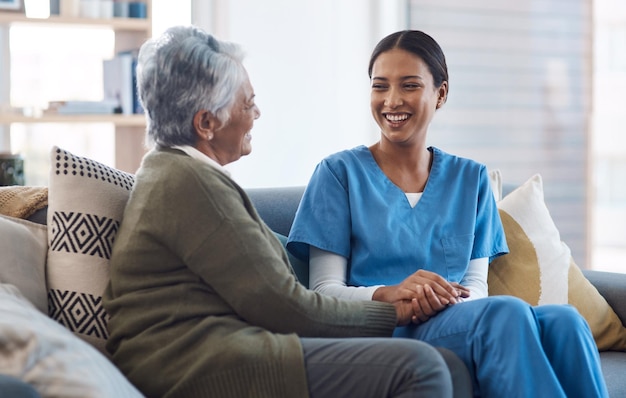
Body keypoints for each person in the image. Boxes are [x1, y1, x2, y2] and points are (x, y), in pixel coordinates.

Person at [102, 25, 473, 398]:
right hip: (198, 361)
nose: (257, 113)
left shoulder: (176, 173)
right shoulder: (191, 185)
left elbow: (256, 268)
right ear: (206, 123)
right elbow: (287, 308)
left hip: (216, 348)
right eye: (247, 104)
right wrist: (395, 311)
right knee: (420, 367)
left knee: (450, 367)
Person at [287, 30, 609, 398]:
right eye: (380, 86)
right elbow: (324, 293)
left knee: (566, 321)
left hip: (458, 320)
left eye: (409, 85)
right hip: (386, 328)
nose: (392, 100)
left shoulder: (472, 179)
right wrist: (392, 294)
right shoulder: (338, 174)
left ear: (440, 93)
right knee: (505, 314)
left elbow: (476, 287)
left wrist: (442, 297)